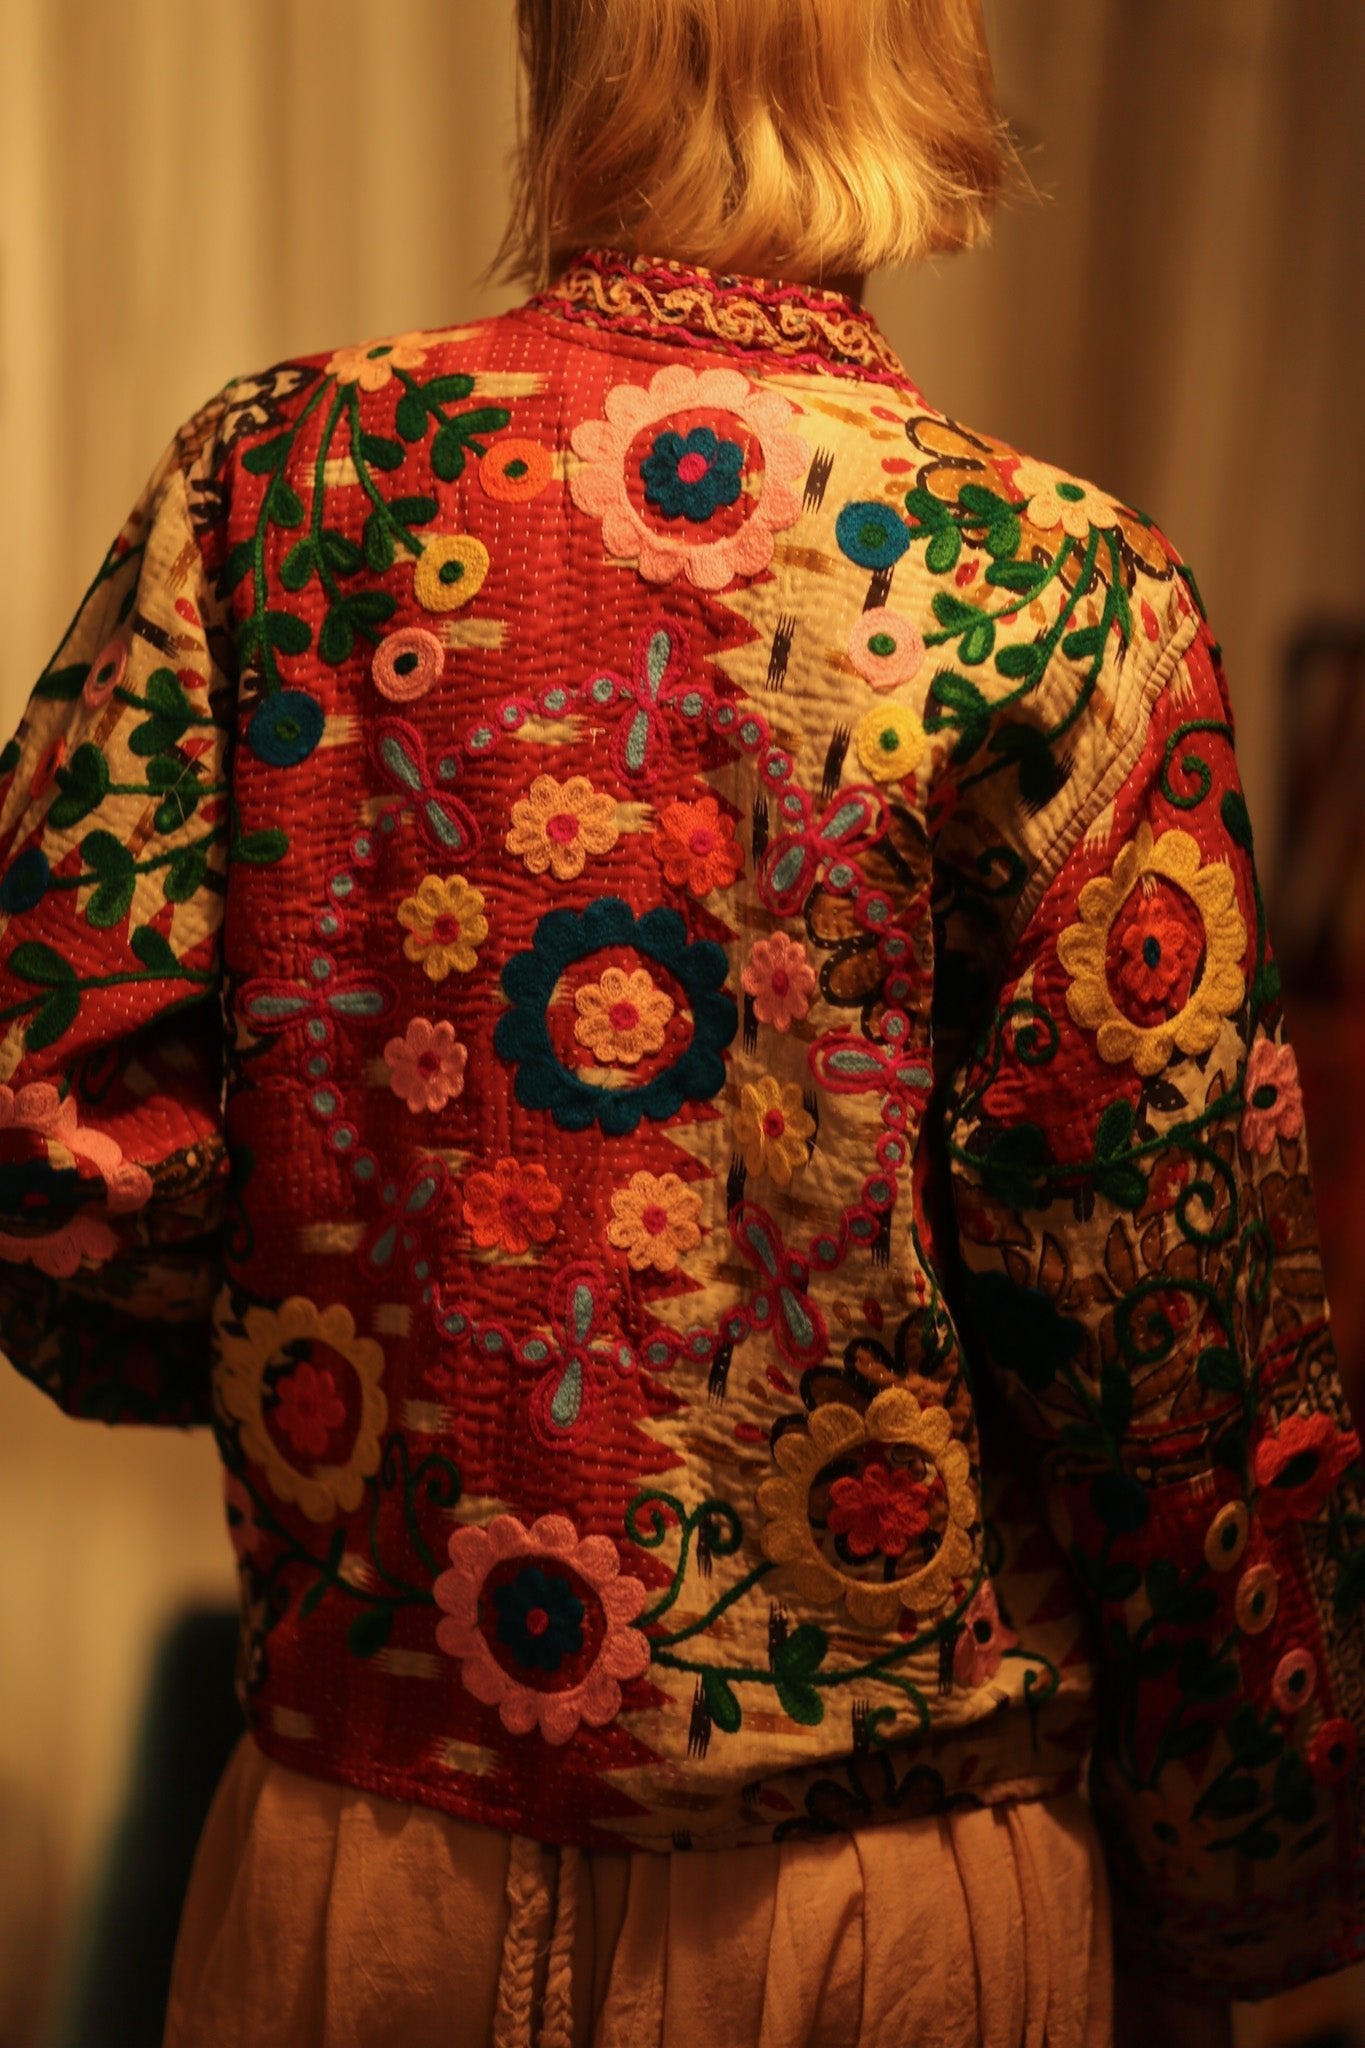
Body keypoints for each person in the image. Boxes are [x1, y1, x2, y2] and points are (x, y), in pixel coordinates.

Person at [1, 0, 1360, 2041]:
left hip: (361, 1855)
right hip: (886, 1909)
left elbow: (48, 1114)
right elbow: (1165, 1335)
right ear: (928, 59)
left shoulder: (278, 481)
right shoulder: (1056, 591)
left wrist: (335, 1379)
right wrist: (1238, 1880)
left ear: (560, 48)